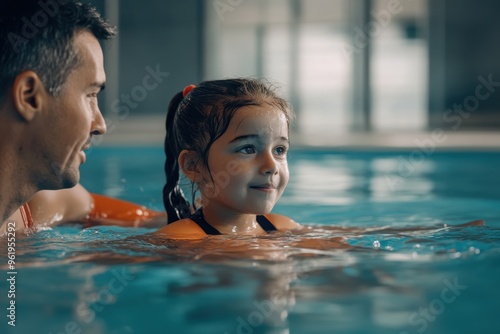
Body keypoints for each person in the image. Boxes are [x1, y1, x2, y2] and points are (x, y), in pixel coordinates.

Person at [0, 0, 163, 234]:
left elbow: (101, 210)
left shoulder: (35, 206)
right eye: (90, 95)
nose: (101, 125)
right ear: (29, 97)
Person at [154, 78, 302, 239]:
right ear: (194, 165)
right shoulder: (182, 238)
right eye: (248, 149)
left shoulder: (282, 227)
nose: (271, 166)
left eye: (279, 150)